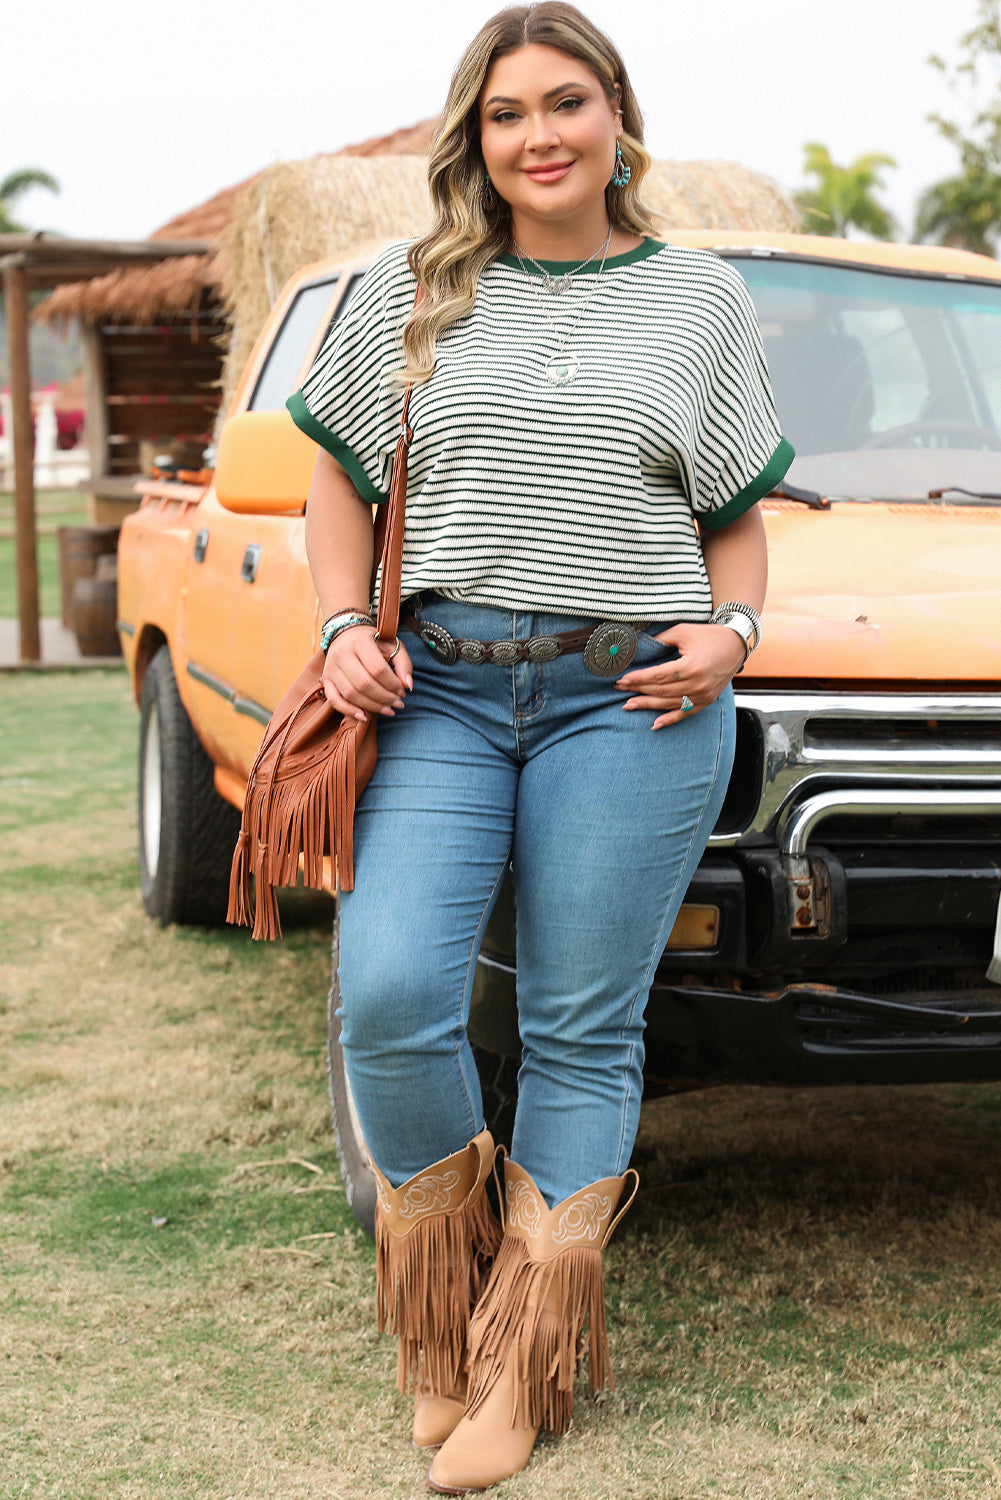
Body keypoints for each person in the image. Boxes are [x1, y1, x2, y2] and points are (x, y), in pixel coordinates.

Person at [287, 4, 793, 1491]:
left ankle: (520, 1357)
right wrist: (341, 624)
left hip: (630, 700)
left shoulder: (696, 297)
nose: (539, 136)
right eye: (506, 114)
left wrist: (732, 634)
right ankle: (442, 1308)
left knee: (579, 1028)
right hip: (436, 691)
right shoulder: (411, 288)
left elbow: (733, 520)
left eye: (565, 102)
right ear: (477, 138)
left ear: (615, 114)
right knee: (391, 995)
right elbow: (337, 488)